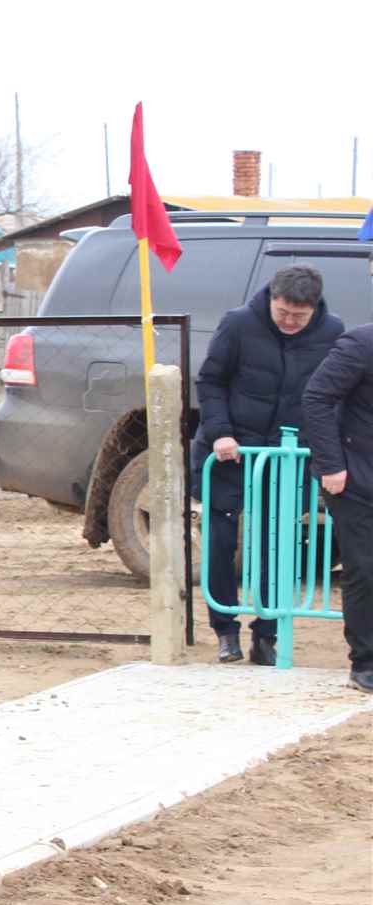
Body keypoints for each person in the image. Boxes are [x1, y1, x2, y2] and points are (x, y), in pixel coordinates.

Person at [194, 265, 344, 665]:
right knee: (221, 541)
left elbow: (334, 393)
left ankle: (267, 633)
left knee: (277, 544)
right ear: (271, 299)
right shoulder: (238, 324)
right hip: (231, 452)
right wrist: (221, 432)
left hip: (287, 457)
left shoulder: (332, 332)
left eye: (299, 316)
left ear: (314, 309)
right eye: (283, 313)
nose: (289, 322)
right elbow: (210, 381)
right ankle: (225, 630)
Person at [302, 316, 373, 693]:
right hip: (357, 479)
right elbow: (316, 397)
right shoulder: (361, 344)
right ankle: (365, 663)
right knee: (364, 569)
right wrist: (331, 464)